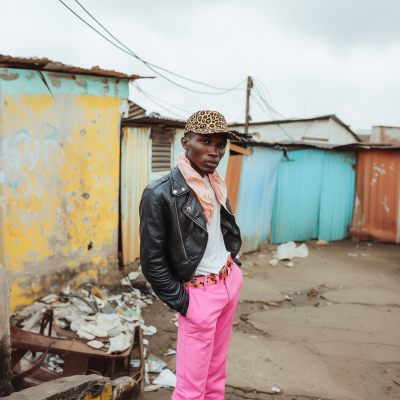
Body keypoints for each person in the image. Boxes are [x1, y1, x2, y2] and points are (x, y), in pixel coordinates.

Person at [140, 110, 242, 400]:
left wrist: (233, 267)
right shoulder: (159, 194)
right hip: (199, 294)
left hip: (228, 281)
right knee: (190, 389)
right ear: (186, 142)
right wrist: (183, 302)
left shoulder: (214, 180)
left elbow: (220, 230)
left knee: (215, 375)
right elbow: (152, 260)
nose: (214, 152)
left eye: (220, 144)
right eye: (205, 141)